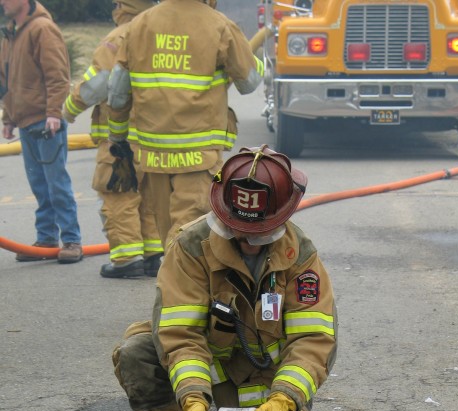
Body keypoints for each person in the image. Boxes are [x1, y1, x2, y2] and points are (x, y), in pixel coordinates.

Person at [113, 145, 338, 411]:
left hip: (268, 383)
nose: (248, 240)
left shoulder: (299, 258)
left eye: (260, 232)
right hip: (209, 374)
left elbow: (312, 342)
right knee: (137, 352)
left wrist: (286, 400)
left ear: (282, 216)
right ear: (224, 210)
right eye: (239, 230)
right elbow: (180, 333)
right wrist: (192, 397)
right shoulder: (190, 247)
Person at [107, 0, 264, 254]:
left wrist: (116, 135)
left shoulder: (139, 25)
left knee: (167, 233)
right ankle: (181, 290)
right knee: (188, 236)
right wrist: (259, 61)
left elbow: (117, 92)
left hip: (154, 156)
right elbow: (249, 82)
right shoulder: (219, 25)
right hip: (198, 156)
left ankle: (173, 288)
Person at [62, 0, 164, 279]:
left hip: (121, 135)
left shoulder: (120, 36)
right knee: (148, 196)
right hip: (155, 133)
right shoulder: (161, 31)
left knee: (118, 193)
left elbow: (98, 84)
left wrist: (68, 109)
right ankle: (154, 255)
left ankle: (127, 258)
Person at [0, 0, 82, 263]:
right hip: (25, 121)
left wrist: (54, 113)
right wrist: (9, 117)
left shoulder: (42, 29)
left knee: (56, 183)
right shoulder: (11, 32)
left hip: (46, 123)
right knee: (39, 185)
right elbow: (8, 80)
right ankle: (46, 239)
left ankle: (71, 240)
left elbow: (57, 75)